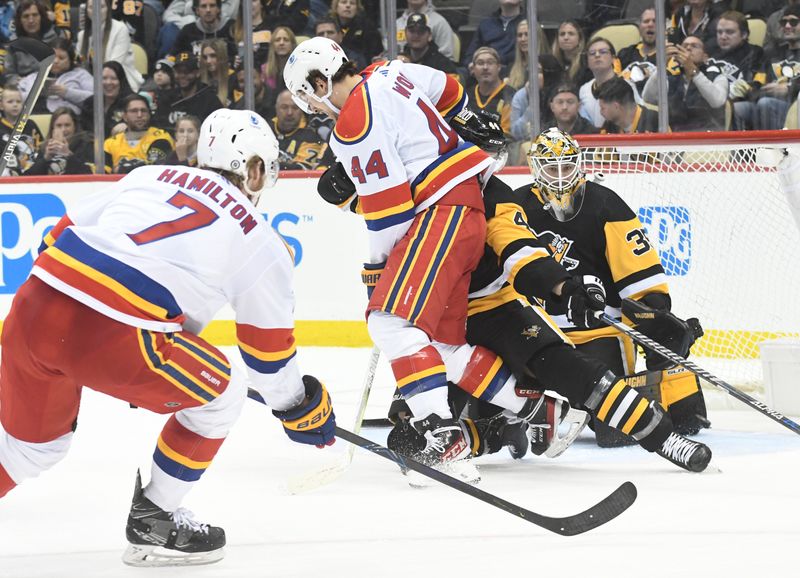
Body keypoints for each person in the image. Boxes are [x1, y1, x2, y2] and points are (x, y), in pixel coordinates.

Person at [0, 108, 336, 566]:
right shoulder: (259, 237)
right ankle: (155, 520)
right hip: (120, 335)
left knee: (30, 451)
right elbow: (267, 353)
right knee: (224, 394)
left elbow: (55, 239)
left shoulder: (149, 176)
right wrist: (297, 407)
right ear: (255, 169)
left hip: (34, 306)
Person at [285, 37, 518, 476]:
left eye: (308, 98)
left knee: (389, 319)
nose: (312, 111)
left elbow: (389, 212)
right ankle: (537, 409)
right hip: (466, 208)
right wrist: (464, 118)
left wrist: (379, 269)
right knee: (443, 344)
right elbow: (448, 89)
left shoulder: (353, 124)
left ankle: (443, 435)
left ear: (320, 81)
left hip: (441, 212)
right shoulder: (390, 70)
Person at [514, 128, 710, 446]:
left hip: (598, 331)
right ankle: (545, 408)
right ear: (536, 167)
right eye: (552, 167)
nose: (561, 176)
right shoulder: (516, 207)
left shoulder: (605, 204)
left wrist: (655, 316)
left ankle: (673, 389)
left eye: (566, 166)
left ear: (578, 163)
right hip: (538, 333)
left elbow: (641, 274)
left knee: (615, 431)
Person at [642, 34, 729, 131]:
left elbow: (717, 101)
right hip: (674, 137)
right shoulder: (672, 79)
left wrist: (693, 71)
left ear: (705, 57)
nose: (688, 48)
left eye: (694, 46)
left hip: (707, 136)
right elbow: (648, 97)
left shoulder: (717, 77)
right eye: (684, 46)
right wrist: (661, 66)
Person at [711, 10, 768, 130]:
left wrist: (725, 96)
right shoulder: (711, 55)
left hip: (738, 103)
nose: (723, 37)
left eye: (729, 32)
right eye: (719, 32)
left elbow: (755, 84)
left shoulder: (755, 53)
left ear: (744, 35)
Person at [76, 0, 144, 91]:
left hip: (119, 82)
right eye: (91, 7)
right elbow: (80, 65)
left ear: (108, 9)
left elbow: (114, 66)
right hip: (90, 85)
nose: (97, 11)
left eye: (102, 7)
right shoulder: (82, 35)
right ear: (86, 11)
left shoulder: (120, 29)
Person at [18, 37, 93, 115]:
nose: (56, 61)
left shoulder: (80, 74)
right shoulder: (33, 77)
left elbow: (96, 98)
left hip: (70, 120)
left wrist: (67, 92)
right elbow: (15, 99)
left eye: (61, 58)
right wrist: (36, 93)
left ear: (70, 59)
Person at [104, 93, 175, 173]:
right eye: (134, 111)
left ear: (149, 114)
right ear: (124, 116)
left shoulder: (161, 137)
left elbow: (155, 169)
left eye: (143, 111)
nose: (139, 115)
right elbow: (101, 175)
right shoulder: (110, 144)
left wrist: (120, 169)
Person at [154, 51, 223, 132]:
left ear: (197, 73)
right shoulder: (167, 98)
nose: (182, 76)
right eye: (179, 72)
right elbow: (157, 126)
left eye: (187, 72)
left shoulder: (210, 99)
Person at [272, 89, 333, 170]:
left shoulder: (311, 137)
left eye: (295, 108)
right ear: (276, 108)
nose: (289, 112)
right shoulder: (264, 130)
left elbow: (302, 170)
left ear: (301, 109)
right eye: (284, 107)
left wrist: (269, 165)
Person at [25, 107, 94, 175]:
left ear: (74, 126)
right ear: (53, 128)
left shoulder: (86, 144)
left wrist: (68, 155)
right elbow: (29, 177)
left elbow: (89, 174)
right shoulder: (45, 147)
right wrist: (46, 158)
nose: (63, 130)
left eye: (67, 125)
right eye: (59, 125)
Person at [467, 46, 516, 136]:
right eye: (480, 63)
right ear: (473, 68)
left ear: (499, 67)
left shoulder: (510, 95)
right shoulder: (466, 96)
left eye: (490, 62)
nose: (485, 67)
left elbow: (506, 134)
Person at [79, 61, 135, 137]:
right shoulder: (89, 104)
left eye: (113, 78)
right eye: (104, 78)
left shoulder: (132, 103)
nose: (108, 82)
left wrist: (128, 127)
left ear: (121, 81)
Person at [462, 0, 525, 67]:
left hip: (516, 70)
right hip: (486, 71)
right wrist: (471, 64)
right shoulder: (486, 24)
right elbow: (469, 56)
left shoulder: (530, 25)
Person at [171, 0, 236, 61]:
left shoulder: (231, 27)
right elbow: (173, 57)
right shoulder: (188, 31)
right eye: (203, 6)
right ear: (197, 10)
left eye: (212, 5)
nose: (208, 10)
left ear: (218, 9)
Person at [579, 37, 622, 128]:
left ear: (613, 59)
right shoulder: (584, 89)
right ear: (587, 61)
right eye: (592, 53)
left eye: (603, 52)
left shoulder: (626, 86)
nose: (597, 55)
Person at [0, 84, 43, 175]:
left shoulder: (30, 124)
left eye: (18, 101)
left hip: (32, 168)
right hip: (7, 170)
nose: (15, 105)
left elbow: (40, 148)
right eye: (10, 102)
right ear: (1, 105)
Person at [597, 75, 662, 133]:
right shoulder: (608, 127)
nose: (601, 112)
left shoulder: (657, 121)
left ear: (616, 106)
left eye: (603, 108)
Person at [551, 20, 591, 87]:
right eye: (562, 34)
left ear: (580, 39)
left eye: (571, 34)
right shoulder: (552, 63)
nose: (566, 38)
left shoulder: (586, 64)